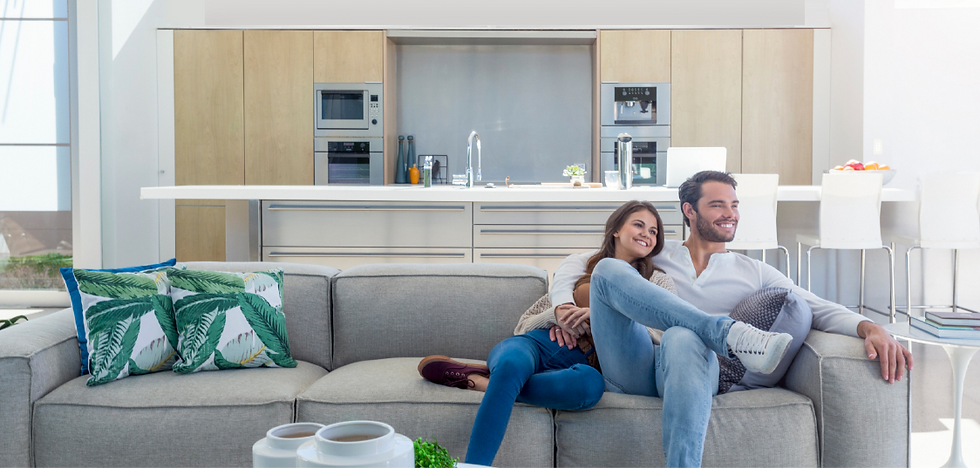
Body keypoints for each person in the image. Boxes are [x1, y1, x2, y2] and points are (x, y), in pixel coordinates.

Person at [552, 170, 914, 467]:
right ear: (689, 211)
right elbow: (581, 263)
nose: (730, 213)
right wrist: (562, 305)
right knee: (608, 270)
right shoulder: (658, 253)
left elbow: (812, 304)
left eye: (734, 205)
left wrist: (870, 326)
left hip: (693, 367)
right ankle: (726, 332)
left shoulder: (752, 270)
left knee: (683, 336)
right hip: (634, 360)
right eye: (717, 205)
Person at [415, 200, 789, 466]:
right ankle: (475, 462)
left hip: (617, 362)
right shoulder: (582, 266)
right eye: (639, 225)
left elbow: (663, 330)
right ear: (616, 229)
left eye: (654, 230)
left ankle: (483, 383)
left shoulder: (659, 280)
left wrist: (605, 315)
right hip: (549, 349)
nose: (647, 234)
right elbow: (527, 321)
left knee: (612, 375)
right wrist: (560, 317)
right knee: (518, 364)